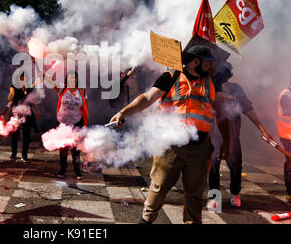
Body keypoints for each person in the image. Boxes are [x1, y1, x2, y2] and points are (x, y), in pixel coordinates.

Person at [110, 45, 231, 224]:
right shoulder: (170, 77)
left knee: (194, 196)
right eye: (207, 62)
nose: (211, 66)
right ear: (195, 62)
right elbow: (147, 98)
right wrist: (123, 113)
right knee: (158, 190)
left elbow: (222, 113)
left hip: (200, 149)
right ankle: (146, 220)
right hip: (170, 147)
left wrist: (226, 143)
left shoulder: (213, 82)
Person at [208, 62, 275, 207]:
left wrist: (262, 129)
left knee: (236, 165)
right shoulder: (208, 87)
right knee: (213, 166)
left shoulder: (236, 89)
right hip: (213, 135)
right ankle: (214, 196)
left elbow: (248, 109)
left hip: (232, 135)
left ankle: (235, 194)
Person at [55, 71, 88, 180]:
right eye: (70, 78)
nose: (72, 79)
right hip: (64, 123)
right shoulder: (62, 90)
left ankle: (77, 171)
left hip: (77, 122)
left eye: (74, 78)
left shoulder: (82, 91)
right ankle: (62, 170)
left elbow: (85, 107)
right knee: (63, 148)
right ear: (67, 79)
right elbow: (51, 82)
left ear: (77, 79)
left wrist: (85, 123)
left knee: (75, 149)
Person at [1, 72, 40, 163]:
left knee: (26, 135)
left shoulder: (29, 87)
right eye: (21, 78)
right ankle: (13, 153)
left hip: (27, 113)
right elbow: (10, 99)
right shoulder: (14, 87)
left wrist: (37, 112)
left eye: (24, 78)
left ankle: (24, 155)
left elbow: (32, 100)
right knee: (15, 134)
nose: (22, 80)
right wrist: (4, 112)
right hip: (16, 113)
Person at [278, 73, 291, 203]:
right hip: (288, 136)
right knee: (290, 165)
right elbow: (288, 111)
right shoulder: (286, 95)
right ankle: (290, 193)